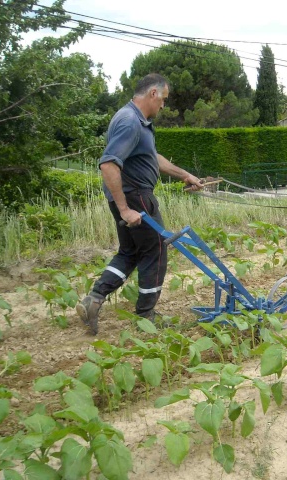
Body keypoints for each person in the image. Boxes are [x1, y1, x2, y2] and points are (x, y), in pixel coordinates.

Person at [77, 73, 204, 334]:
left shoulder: (133, 119)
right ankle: (147, 316)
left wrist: (185, 175)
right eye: (164, 100)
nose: (163, 106)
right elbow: (108, 164)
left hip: (128, 196)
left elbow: (152, 157)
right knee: (156, 250)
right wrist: (125, 208)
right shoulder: (130, 122)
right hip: (135, 197)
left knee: (130, 252)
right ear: (153, 94)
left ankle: (95, 298)